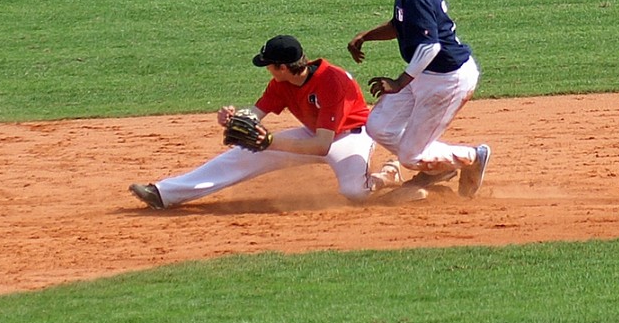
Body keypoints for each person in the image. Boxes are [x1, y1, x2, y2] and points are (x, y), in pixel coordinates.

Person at [129, 35, 418, 210]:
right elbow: (256, 113)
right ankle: (163, 193)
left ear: (282, 67)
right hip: (314, 134)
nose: (266, 68)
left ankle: (387, 174)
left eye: (268, 65)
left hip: (350, 137)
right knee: (240, 155)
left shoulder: (333, 81)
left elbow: (323, 145)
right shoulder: (281, 83)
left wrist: (269, 141)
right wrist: (234, 118)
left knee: (355, 193)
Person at [347, 0, 490, 198]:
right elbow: (400, 25)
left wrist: (399, 82)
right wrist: (366, 36)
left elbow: (430, 47)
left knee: (411, 157)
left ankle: (472, 157)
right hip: (425, 73)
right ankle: (438, 164)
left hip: (446, 81)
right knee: (379, 126)